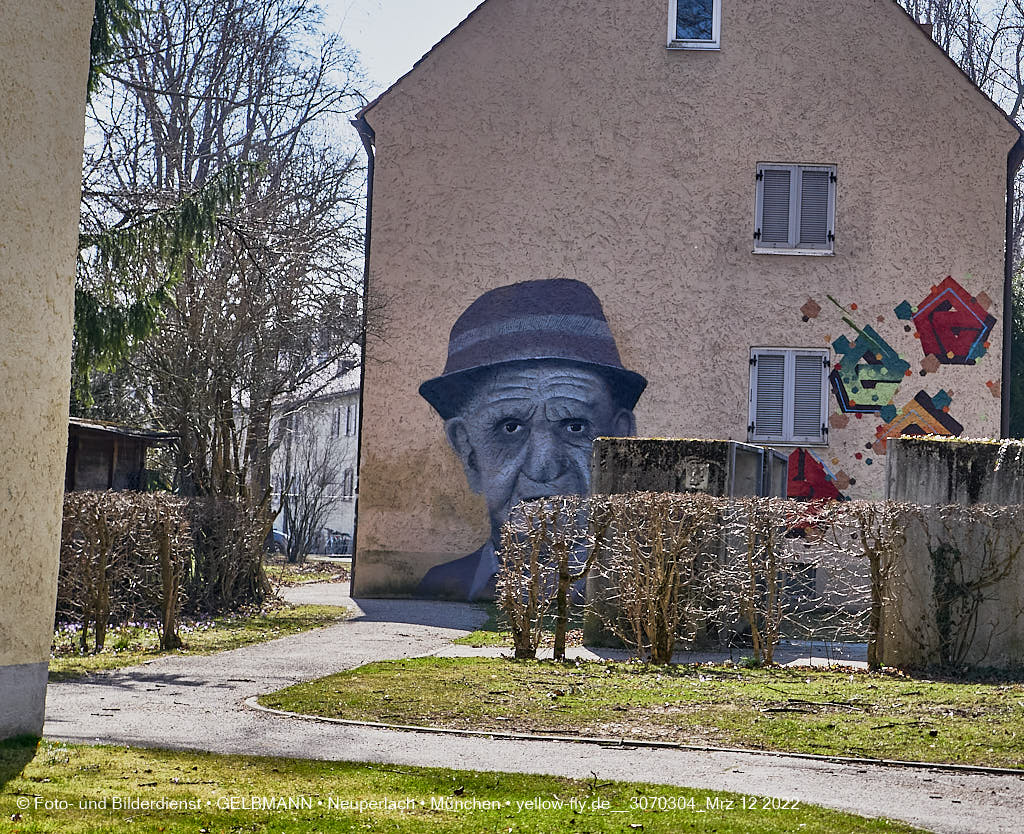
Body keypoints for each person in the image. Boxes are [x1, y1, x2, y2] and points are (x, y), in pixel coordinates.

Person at [416, 278, 647, 600]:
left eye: (574, 426)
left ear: (620, 440)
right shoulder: (437, 585)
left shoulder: (643, 594)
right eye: (510, 428)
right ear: (468, 451)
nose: (543, 467)